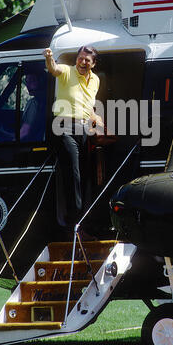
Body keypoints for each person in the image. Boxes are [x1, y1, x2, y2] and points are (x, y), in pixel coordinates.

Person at [43, 46, 102, 240]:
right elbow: (54, 69)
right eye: (80, 58)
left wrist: (98, 124)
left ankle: (80, 223)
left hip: (84, 129)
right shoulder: (67, 71)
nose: (82, 62)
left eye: (87, 60)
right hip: (63, 128)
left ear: (93, 63)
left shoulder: (95, 80)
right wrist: (49, 58)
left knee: (84, 177)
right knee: (74, 176)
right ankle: (73, 227)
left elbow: (88, 106)